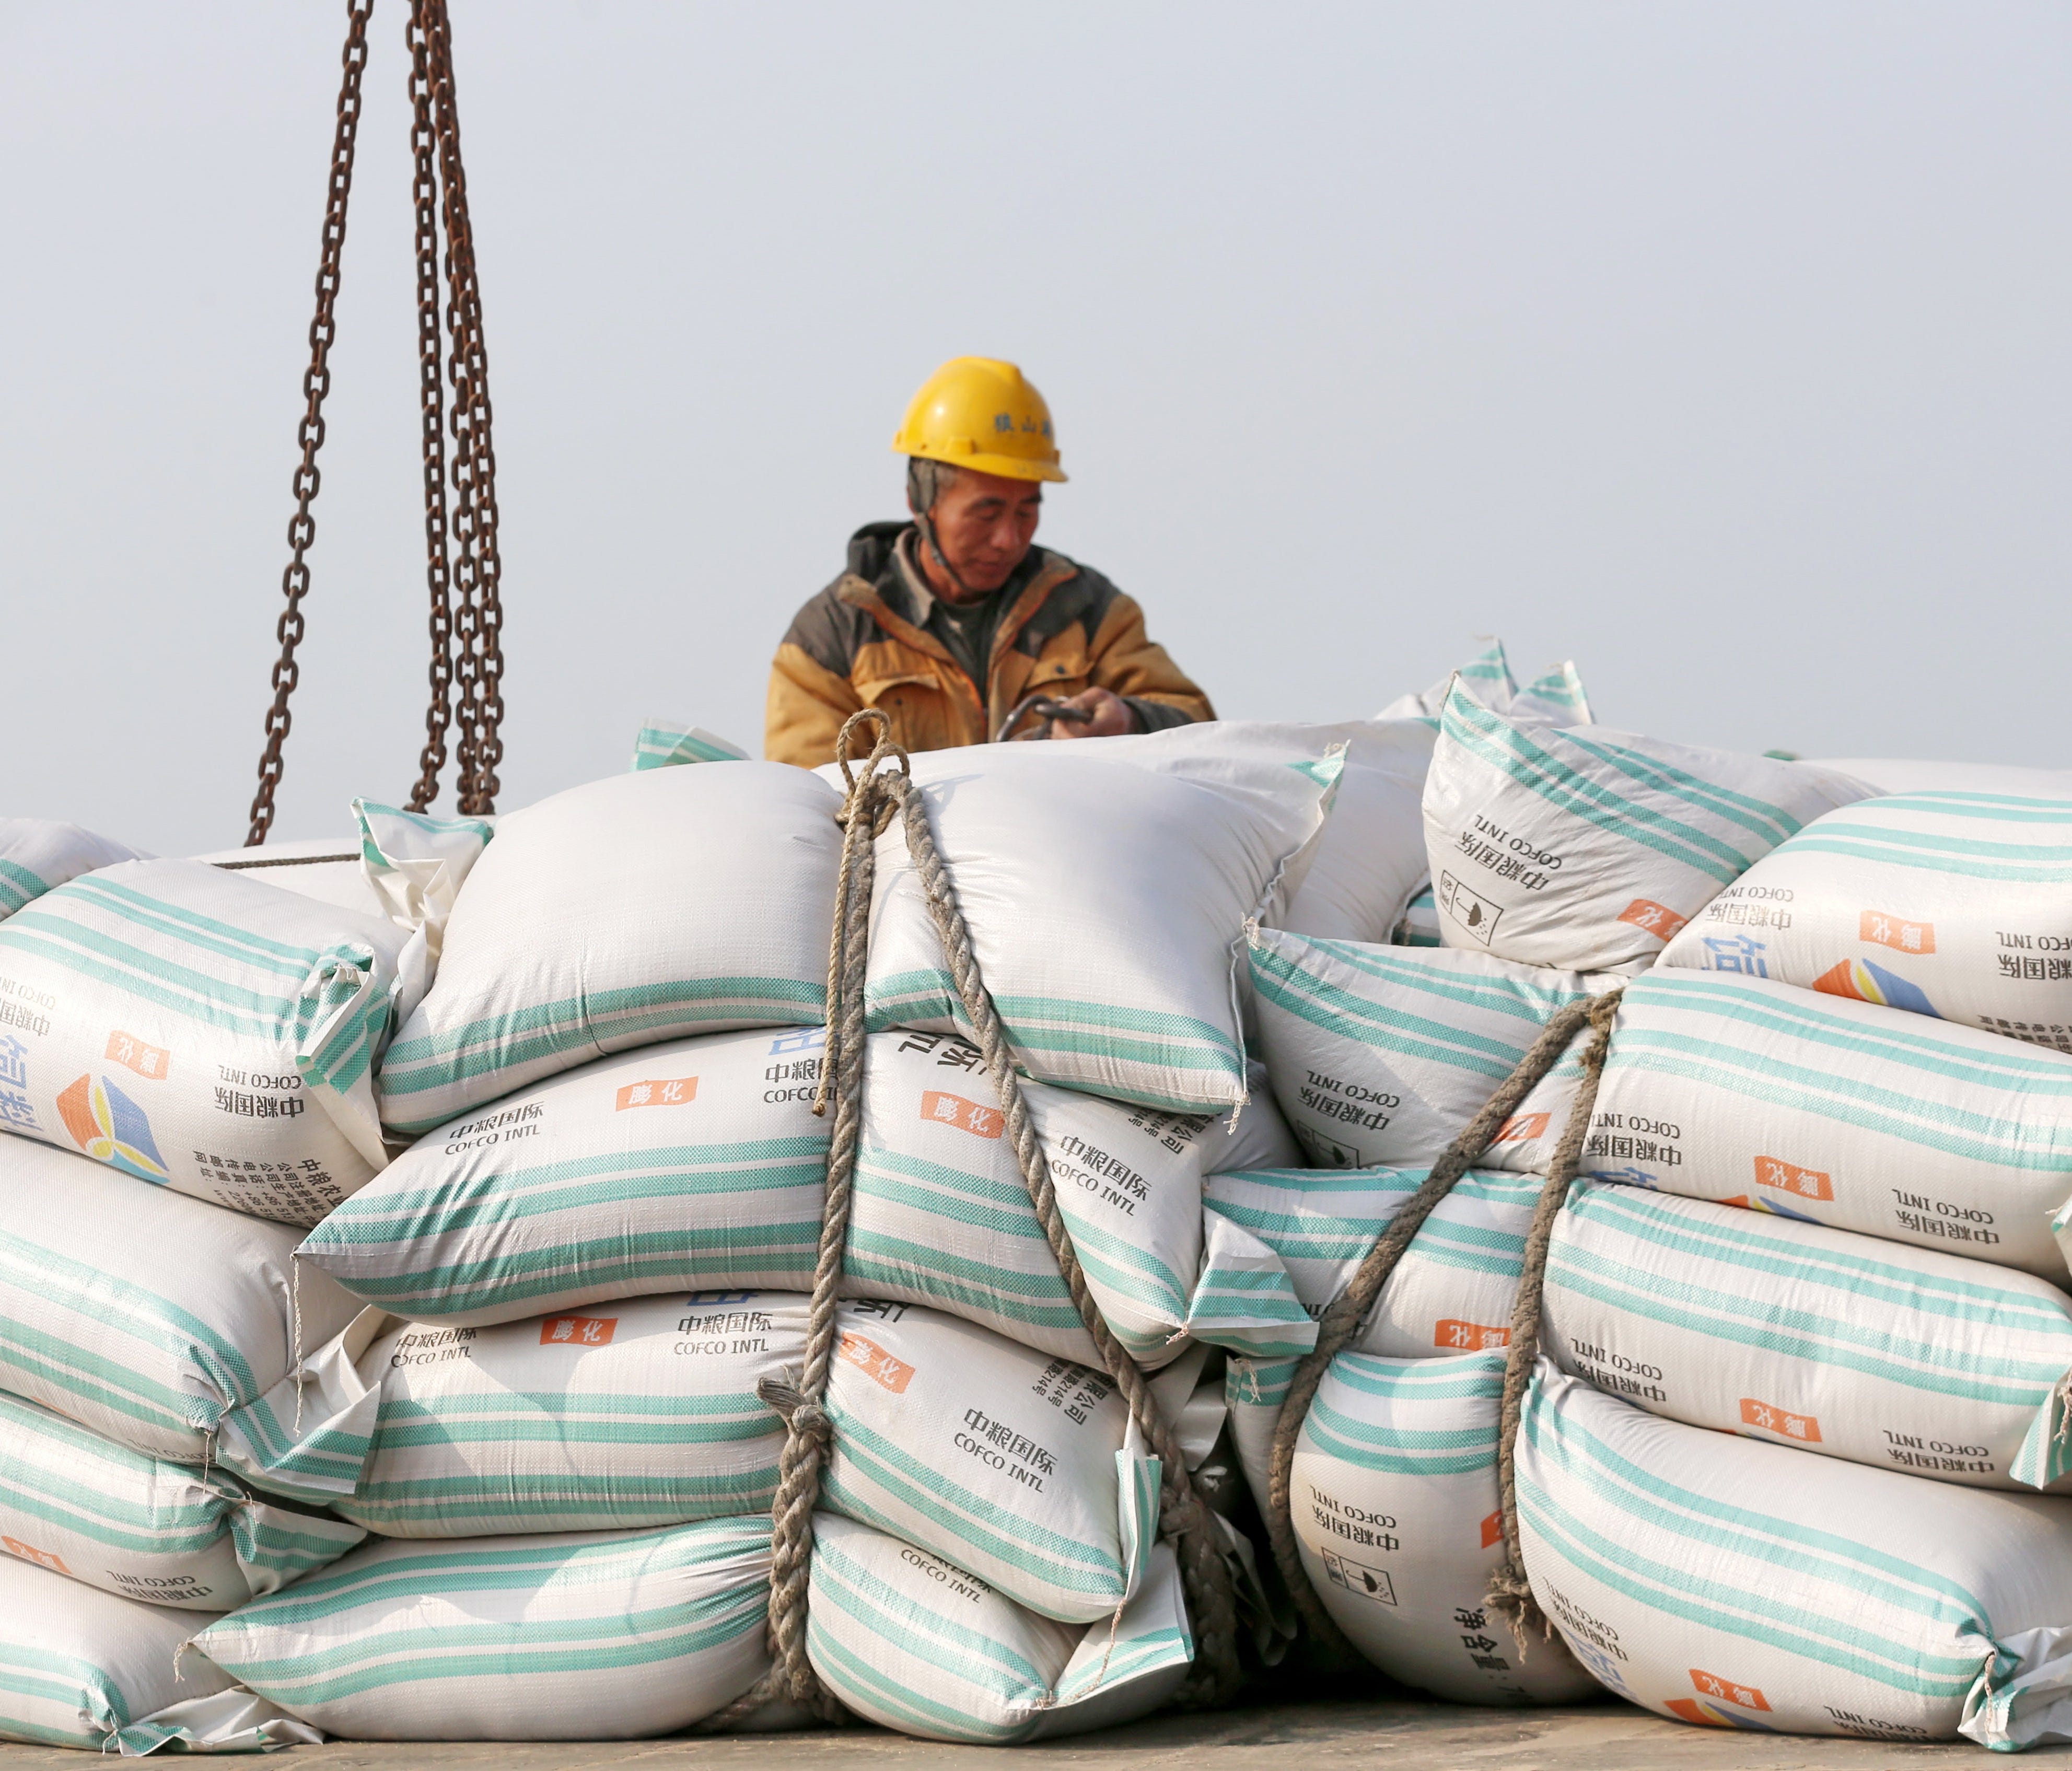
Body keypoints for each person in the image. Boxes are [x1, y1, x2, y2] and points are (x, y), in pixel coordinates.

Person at [765, 357, 1213, 767]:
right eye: (987, 513)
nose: (1008, 539)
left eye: (1026, 512)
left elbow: (1201, 731)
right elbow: (808, 799)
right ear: (921, 501)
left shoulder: (1089, 611)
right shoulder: (831, 639)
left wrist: (1130, 720)